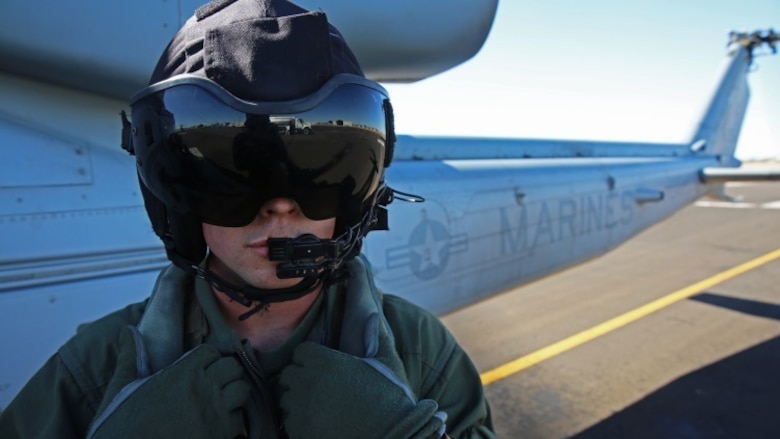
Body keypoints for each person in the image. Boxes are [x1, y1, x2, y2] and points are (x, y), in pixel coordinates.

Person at [0, 0, 495, 437]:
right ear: (177, 201)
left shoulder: (422, 355)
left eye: (318, 170)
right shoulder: (96, 370)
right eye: (231, 172)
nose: (279, 204)